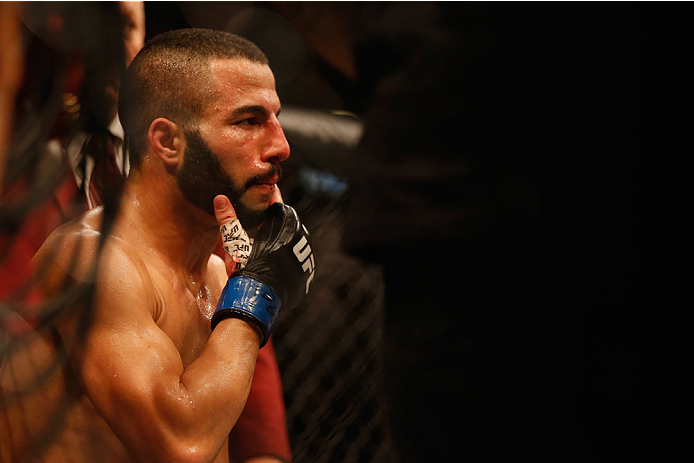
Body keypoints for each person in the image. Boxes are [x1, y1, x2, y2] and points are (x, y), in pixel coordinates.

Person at [0, 28, 312, 462]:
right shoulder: (97, 258)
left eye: (275, 118)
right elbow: (180, 444)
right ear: (168, 142)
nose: (281, 145)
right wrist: (259, 290)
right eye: (248, 121)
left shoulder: (216, 273)